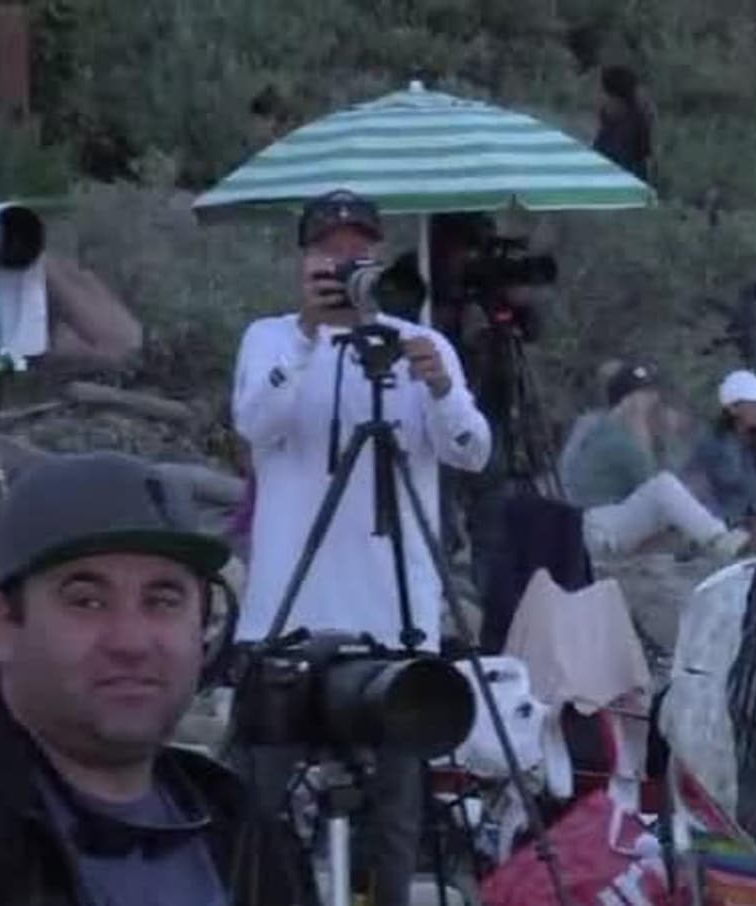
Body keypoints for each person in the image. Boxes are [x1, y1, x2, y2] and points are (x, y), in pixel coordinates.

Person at [229, 189, 491, 906]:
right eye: (329, 251)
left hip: (391, 622)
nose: (345, 264)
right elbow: (256, 424)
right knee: (258, 809)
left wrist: (442, 387)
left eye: (358, 251)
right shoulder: (270, 339)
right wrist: (309, 338)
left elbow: (471, 451)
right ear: (303, 262)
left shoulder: (419, 344)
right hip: (287, 619)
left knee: (395, 824)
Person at [0, 451, 310, 905]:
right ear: (1, 625)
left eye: (163, 600)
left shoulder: (249, 840)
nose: (131, 642)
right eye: (86, 601)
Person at [560, 361, 749, 559]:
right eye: (645, 396)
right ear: (627, 401)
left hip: (599, 526)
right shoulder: (615, 439)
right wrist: (641, 427)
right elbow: (655, 487)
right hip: (595, 528)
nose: (652, 403)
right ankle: (719, 540)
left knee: (678, 510)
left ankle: (712, 544)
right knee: (663, 487)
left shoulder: (602, 428)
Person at [685, 369, 756, 527]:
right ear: (733, 409)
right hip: (727, 526)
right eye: (754, 403)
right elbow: (694, 487)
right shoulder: (713, 444)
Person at [593, 65, 653, 183]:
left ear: (613, 97)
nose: (597, 97)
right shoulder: (609, 120)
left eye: (602, 92)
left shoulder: (631, 127)